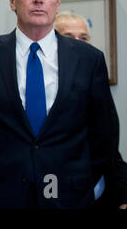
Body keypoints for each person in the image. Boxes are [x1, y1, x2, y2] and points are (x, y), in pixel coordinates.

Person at [0, 0, 120, 209]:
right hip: (1, 197)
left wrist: (78, 179)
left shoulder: (89, 60)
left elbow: (104, 134)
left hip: (70, 198)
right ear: (12, 0)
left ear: (57, 3)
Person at [54, 12, 127, 209]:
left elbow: (108, 140)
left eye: (84, 38)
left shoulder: (95, 77)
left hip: (97, 191)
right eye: (69, 37)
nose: (79, 43)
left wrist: (122, 194)